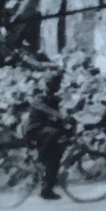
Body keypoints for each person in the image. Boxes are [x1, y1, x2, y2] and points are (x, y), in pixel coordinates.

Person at [24, 71, 72, 201]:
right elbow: (48, 110)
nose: (56, 86)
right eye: (54, 84)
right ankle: (41, 158)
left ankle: (47, 189)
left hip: (46, 132)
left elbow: (58, 116)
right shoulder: (39, 98)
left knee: (56, 156)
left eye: (57, 84)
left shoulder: (54, 99)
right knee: (54, 134)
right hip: (34, 131)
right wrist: (60, 116)